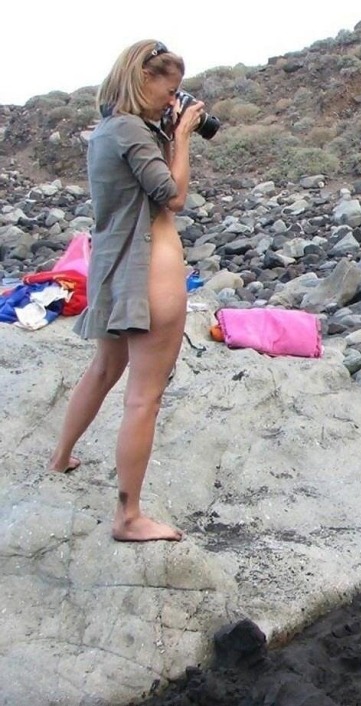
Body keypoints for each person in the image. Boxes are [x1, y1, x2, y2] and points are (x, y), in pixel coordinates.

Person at [46, 40, 206, 542]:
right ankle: (128, 516)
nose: (172, 100)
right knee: (144, 398)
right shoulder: (134, 131)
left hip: (114, 267)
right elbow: (173, 196)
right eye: (169, 90)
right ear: (143, 79)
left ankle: (59, 457)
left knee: (106, 367)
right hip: (149, 269)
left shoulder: (107, 130)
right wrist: (182, 136)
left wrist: (168, 128)